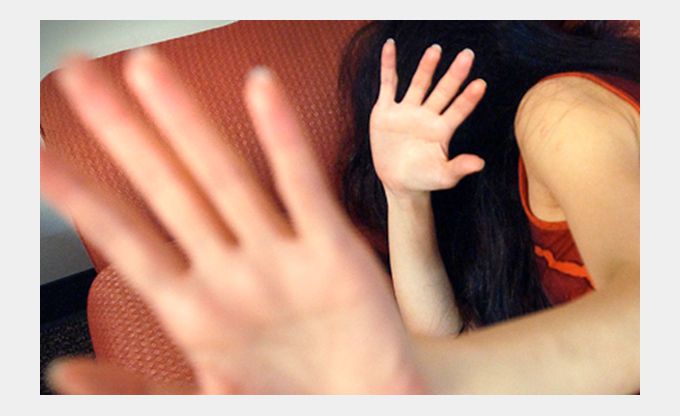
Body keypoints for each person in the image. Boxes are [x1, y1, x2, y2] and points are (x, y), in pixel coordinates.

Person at [41, 20, 639, 394]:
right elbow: (444, 332)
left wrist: (436, 383)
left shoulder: (562, 110)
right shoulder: (505, 210)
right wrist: (405, 197)